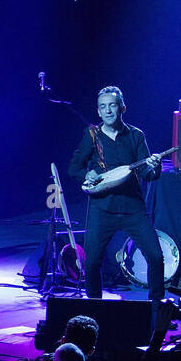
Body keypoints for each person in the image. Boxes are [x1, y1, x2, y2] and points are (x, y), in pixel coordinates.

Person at [67, 86, 164, 313]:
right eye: (103, 107)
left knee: (156, 257)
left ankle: (157, 310)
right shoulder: (92, 136)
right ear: (98, 112)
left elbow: (147, 175)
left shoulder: (136, 135)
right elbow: (75, 167)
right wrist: (87, 174)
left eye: (112, 105)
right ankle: (94, 311)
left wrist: (154, 167)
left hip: (133, 209)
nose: (108, 110)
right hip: (103, 209)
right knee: (91, 263)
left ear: (122, 108)